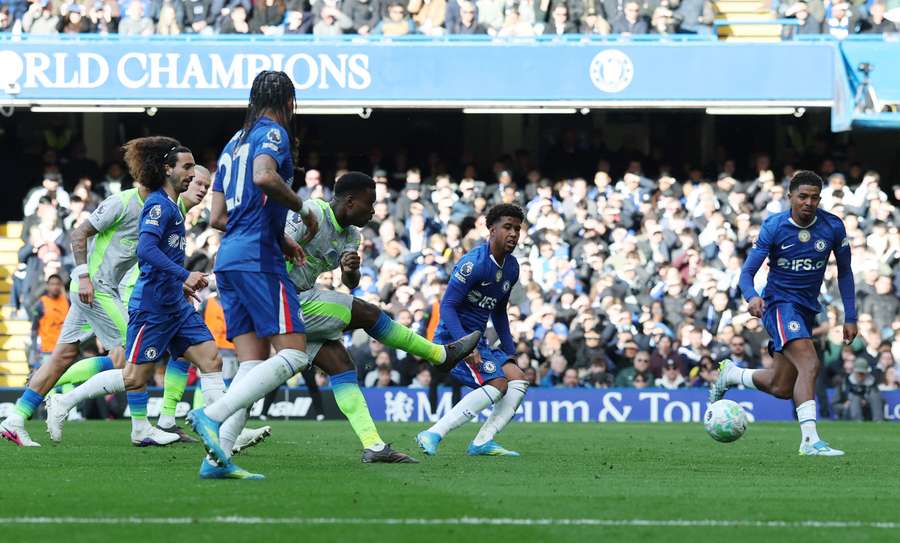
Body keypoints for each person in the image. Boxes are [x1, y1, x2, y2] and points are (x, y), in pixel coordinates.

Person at [279, 171, 480, 462]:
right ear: (349, 201)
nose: (373, 211)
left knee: (341, 364)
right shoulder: (312, 212)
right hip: (280, 298)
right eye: (369, 203)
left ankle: (373, 446)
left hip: (298, 302)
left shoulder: (351, 235)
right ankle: (439, 355)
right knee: (368, 312)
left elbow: (351, 282)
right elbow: (276, 243)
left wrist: (350, 270)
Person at [187, 70, 315, 478]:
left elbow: (219, 216)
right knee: (294, 353)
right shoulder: (273, 134)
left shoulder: (232, 142)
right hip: (258, 260)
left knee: (250, 363)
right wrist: (303, 207)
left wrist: (280, 239)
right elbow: (264, 176)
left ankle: (217, 459)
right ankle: (214, 414)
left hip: (230, 259)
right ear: (288, 101)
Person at [39, 168, 212, 446]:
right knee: (130, 366)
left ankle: (168, 421)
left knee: (187, 355)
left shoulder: (177, 209)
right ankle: (60, 394)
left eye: (205, 184)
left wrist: (179, 285)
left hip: (164, 295)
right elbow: (147, 253)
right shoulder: (163, 204)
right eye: (196, 180)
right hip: (138, 293)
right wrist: (181, 278)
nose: (200, 187)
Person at [712, 170, 857, 456]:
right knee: (811, 364)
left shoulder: (833, 227)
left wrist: (850, 315)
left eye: (815, 197)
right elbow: (747, 273)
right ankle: (810, 441)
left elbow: (845, 272)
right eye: (802, 196)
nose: (808, 202)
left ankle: (732, 375)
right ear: (790, 196)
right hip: (779, 305)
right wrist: (752, 296)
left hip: (806, 310)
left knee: (780, 386)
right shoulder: (774, 226)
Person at [416, 204, 526, 457]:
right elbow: (447, 307)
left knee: (518, 377)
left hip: (478, 340)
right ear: (491, 230)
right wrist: (466, 345)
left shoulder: (512, 267)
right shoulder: (473, 264)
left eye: (517, 229)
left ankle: (482, 442)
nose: (513, 234)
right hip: (451, 340)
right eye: (507, 227)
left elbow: (499, 311)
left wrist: (510, 351)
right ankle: (433, 433)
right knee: (498, 383)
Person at [31, 275, 69, 373]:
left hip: (64, 349)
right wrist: (35, 351)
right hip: (47, 351)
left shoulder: (67, 301)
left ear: (61, 286)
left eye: (57, 284)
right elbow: (34, 329)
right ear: (47, 286)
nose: (55, 287)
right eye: (52, 284)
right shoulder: (41, 303)